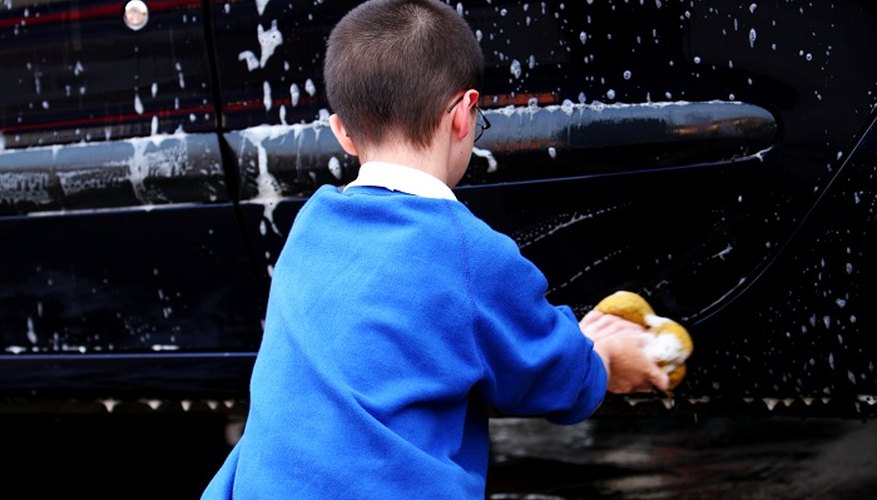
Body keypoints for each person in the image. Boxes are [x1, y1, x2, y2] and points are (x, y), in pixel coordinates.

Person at [202, 0, 668, 497]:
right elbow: (549, 372)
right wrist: (609, 359)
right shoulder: (469, 252)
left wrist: (572, 339)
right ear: (464, 114)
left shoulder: (311, 225)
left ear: (342, 133)